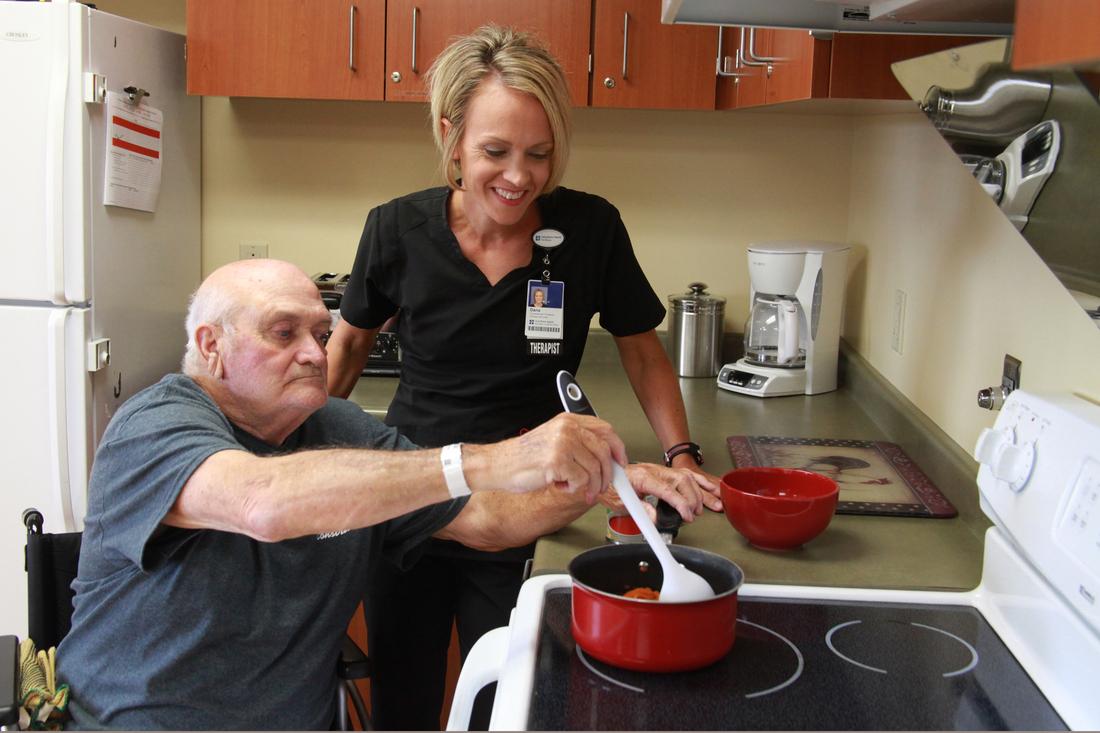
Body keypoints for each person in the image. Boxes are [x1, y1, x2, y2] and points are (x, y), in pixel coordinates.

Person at [54, 259, 710, 730]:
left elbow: (486, 518)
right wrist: (493, 457)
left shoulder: (341, 430)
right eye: (285, 333)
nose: (314, 352)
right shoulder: (153, 425)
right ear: (212, 347)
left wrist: (594, 480)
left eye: (321, 332)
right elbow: (264, 502)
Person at [324, 25, 721, 730]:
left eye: (539, 154)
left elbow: (641, 348)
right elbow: (349, 347)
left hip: (529, 504)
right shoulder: (395, 230)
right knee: (402, 706)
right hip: (414, 499)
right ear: (451, 136)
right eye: (495, 151)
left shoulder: (591, 229)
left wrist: (682, 452)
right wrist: (297, 458)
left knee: (508, 704)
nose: (518, 176)